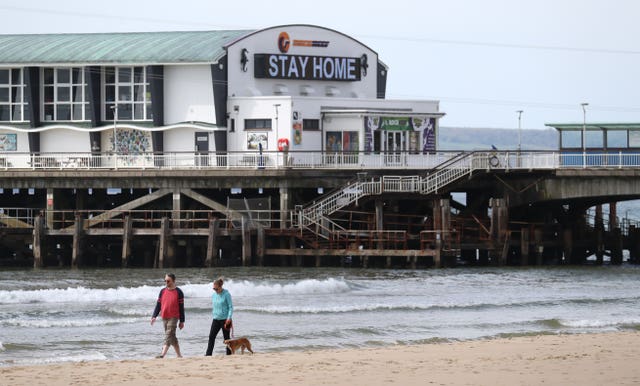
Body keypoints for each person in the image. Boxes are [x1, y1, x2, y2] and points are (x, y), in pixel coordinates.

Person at [151, 273, 185, 358]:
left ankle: (162, 354)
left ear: (173, 281)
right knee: (172, 337)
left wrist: (182, 321)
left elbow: (181, 307)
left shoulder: (179, 292)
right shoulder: (162, 291)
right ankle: (179, 355)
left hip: (174, 317)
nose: (166, 282)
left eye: (168, 281)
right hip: (164, 316)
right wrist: (154, 316)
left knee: (168, 334)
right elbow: (158, 305)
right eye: (165, 280)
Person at [205, 277, 233, 356]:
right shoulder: (214, 295)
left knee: (227, 339)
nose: (215, 290)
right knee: (211, 337)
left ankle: (229, 354)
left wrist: (229, 318)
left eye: (216, 289)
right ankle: (208, 354)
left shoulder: (226, 294)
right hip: (216, 319)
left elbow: (230, 307)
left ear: (220, 287)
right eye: (214, 289)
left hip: (225, 320)